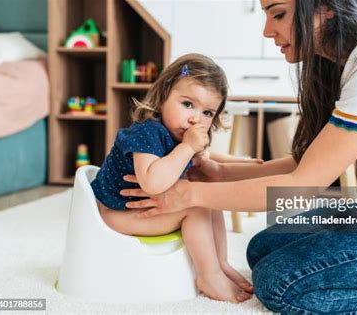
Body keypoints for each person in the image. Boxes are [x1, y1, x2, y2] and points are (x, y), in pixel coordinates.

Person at [119, 0, 357, 314]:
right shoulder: (349, 60)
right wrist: (220, 173)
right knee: (264, 246)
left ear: (325, 8)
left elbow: (302, 185)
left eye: (278, 13)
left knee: (281, 282)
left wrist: (188, 195)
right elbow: (309, 163)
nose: (268, 30)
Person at [91, 53, 254, 303]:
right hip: (116, 213)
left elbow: (204, 157)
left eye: (208, 112)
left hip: (138, 208)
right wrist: (187, 148)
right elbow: (152, 182)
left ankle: (219, 262)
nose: (196, 119)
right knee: (197, 206)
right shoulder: (148, 132)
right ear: (164, 95)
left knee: (210, 195)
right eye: (188, 104)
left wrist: (237, 160)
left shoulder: (180, 135)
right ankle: (208, 276)